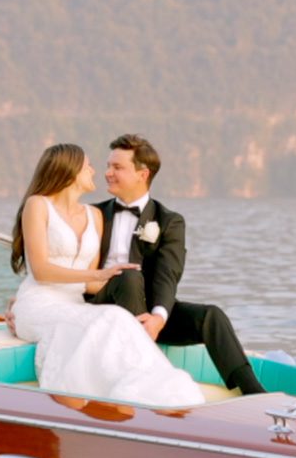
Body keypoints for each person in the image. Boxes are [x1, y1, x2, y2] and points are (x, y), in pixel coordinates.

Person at [9, 144, 206, 407]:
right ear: (69, 171)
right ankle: (111, 395)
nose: (95, 171)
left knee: (118, 317)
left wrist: (117, 275)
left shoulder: (94, 216)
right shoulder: (38, 205)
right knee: (101, 322)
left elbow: (90, 285)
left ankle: (151, 388)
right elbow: (41, 271)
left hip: (74, 303)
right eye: (88, 166)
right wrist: (98, 273)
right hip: (38, 303)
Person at [89, 134, 266, 395]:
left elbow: (167, 274)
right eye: (108, 166)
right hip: (102, 306)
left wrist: (158, 319)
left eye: (117, 167)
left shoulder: (169, 221)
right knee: (128, 276)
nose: (107, 173)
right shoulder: (93, 214)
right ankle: (145, 381)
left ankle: (253, 392)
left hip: (148, 311)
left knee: (211, 316)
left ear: (142, 174)